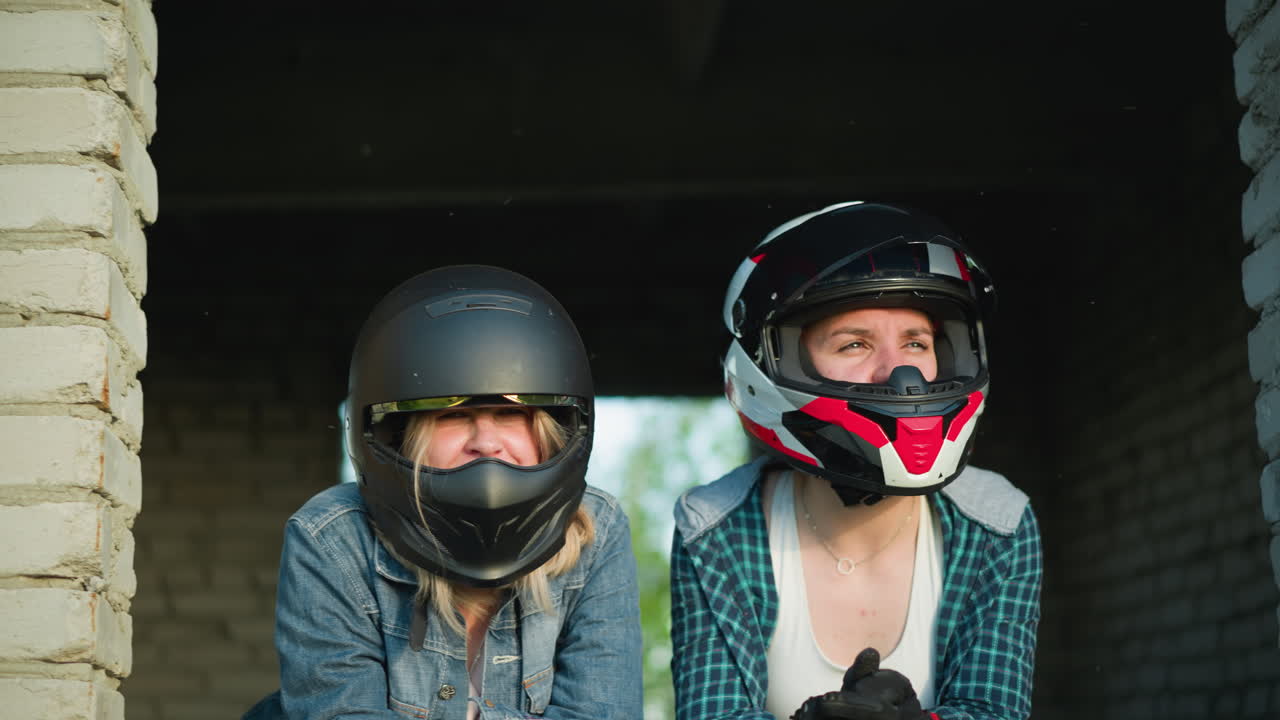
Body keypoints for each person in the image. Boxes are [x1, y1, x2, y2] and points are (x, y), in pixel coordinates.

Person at [670, 202, 1042, 720]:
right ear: (774, 362)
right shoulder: (716, 530)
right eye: (854, 344)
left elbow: (993, 711)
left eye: (917, 341)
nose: (899, 373)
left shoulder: (997, 524)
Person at [244, 265, 643, 719]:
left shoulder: (596, 530)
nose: (486, 441)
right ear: (404, 434)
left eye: (511, 415)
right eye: (452, 417)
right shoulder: (332, 538)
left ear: (552, 431)